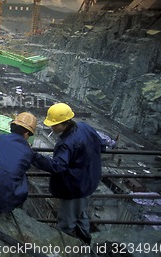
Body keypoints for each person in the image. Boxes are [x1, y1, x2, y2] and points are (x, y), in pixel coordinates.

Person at [32, 103, 105, 244]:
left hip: (75, 186)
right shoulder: (85, 127)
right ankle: (85, 241)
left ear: (64, 123)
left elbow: (57, 166)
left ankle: (65, 246)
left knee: (67, 221)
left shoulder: (67, 143)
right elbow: (102, 145)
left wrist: (34, 157)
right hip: (89, 180)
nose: (51, 127)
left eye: (54, 124)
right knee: (81, 213)